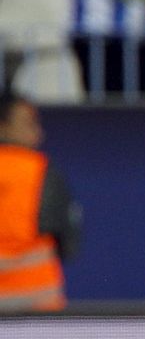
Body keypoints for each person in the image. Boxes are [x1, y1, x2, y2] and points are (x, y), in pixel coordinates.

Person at [0, 92, 79, 313]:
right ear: (3, 126)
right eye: (28, 124)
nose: (39, 133)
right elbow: (69, 243)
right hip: (37, 304)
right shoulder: (43, 171)